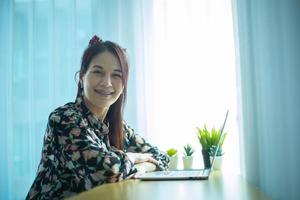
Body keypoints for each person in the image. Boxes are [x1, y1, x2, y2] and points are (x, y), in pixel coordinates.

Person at [26, 35, 169, 199]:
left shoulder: (117, 126)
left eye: (116, 75)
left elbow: (161, 157)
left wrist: (141, 167)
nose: (107, 83)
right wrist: (135, 158)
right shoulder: (64, 119)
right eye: (98, 72)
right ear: (82, 76)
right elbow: (107, 173)